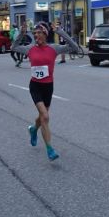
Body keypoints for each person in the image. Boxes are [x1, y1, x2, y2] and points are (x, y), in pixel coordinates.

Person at [11, 21, 79, 161]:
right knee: (46, 117)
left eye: (39, 33)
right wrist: (22, 34)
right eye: (35, 33)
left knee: (42, 116)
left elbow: (75, 47)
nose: (36, 35)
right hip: (35, 86)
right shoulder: (30, 49)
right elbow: (14, 47)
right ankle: (50, 149)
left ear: (45, 34)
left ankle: (33, 129)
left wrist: (60, 32)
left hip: (48, 87)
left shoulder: (54, 49)